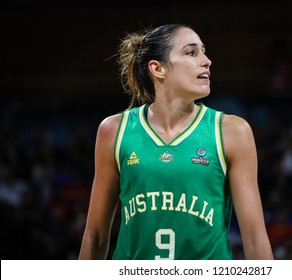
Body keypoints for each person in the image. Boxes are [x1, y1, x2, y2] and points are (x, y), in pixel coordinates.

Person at [79, 23, 274, 260]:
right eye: (192, 52)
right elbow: (95, 235)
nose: (207, 61)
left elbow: (254, 238)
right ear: (157, 68)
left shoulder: (232, 131)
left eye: (203, 51)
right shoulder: (114, 131)